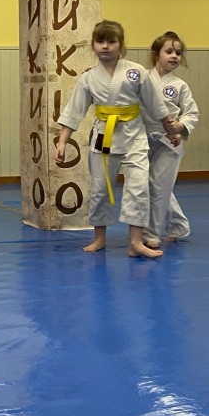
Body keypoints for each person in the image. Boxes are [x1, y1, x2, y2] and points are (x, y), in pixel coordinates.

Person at [54, 19, 172, 258]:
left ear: (121, 45)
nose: (105, 46)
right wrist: (62, 141)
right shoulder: (88, 78)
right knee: (99, 189)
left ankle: (135, 242)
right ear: (93, 45)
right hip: (103, 137)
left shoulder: (136, 72)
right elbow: (74, 111)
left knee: (138, 188)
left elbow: (155, 104)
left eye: (111, 41)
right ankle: (99, 238)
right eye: (100, 41)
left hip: (134, 136)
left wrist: (170, 130)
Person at [143, 31, 199, 248]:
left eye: (178, 52)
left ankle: (151, 233)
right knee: (153, 185)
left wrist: (180, 126)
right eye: (169, 51)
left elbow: (192, 113)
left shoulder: (179, 85)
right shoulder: (142, 78)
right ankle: (179, 225)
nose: (174, 56)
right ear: (156, 54)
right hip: (142, 139)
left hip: (169, 140)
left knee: (158, 185)